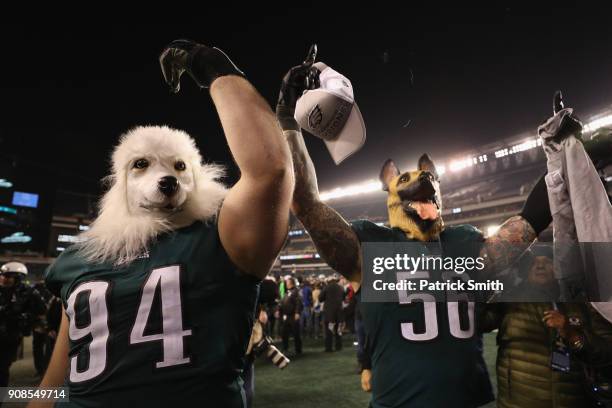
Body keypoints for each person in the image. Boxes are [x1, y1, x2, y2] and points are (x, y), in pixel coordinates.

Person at [278, 46, 553, 407]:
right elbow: (306, 203)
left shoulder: (463, 241)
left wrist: (566, 158)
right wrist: (286, 119)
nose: (425, 183)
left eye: (429, 182)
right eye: (411, 180)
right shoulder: (370, 244)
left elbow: (529, 222)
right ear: (391, 194)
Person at [34, 40, 293, 408]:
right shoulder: (77, 260)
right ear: (117, 180)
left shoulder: (222, 238)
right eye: (141, 164)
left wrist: (212, 66)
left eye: (179, 166)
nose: (165, 177)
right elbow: (52, 386)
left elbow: (270, 170)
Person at [0, 262, 46, 389]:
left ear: (18, 278)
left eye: (8, 276)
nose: (3, 278)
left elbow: (41, 311)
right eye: (2, 275)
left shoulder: (30, 293)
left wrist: (25, 318)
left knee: (2, 368)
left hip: (10, 336)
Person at [319, 276, 345, 352]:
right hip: (339, 313)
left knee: (329, 330)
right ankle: (339, 346)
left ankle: (329, 347)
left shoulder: (326, 288)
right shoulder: (340, 288)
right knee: (338, 330)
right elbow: (343, 297)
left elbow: (320, 298)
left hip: (330, 314)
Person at [279, 277, 303, 355]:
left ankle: (298, 350)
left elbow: (298, 302)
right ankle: (285, 348)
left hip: (293, 315)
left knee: (296, 333)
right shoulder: (287, 292)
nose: (286, 284)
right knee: (284, 333)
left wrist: (297, 312)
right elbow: (283, 302)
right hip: (286, 316)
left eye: (288, 282)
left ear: (291, 283)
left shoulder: (296, 291)